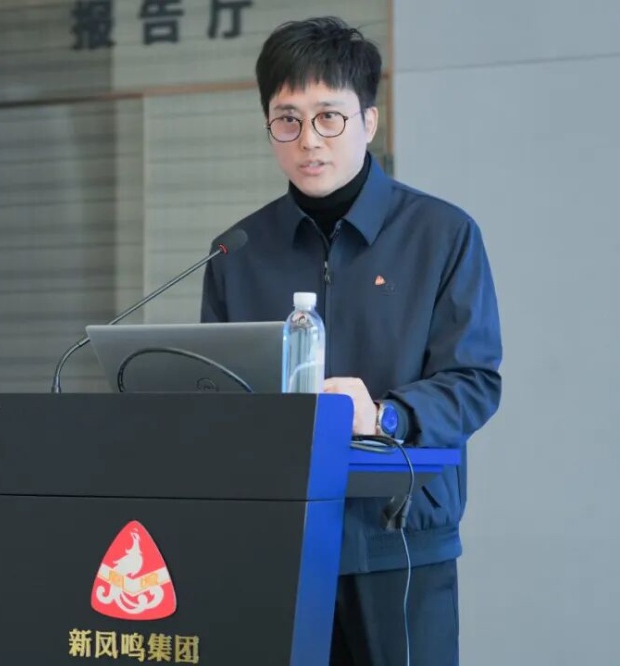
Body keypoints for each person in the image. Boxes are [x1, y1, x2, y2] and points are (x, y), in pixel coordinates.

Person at [200, 15, 503, 666]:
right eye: (287, 120)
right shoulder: (236, 253)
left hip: (402, 540)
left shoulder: (441, 235)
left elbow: (475, 381)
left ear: (369, 120)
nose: (308, 140)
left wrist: (386, 416)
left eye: (329, 117)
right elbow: (215, 398)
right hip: (276, 545)